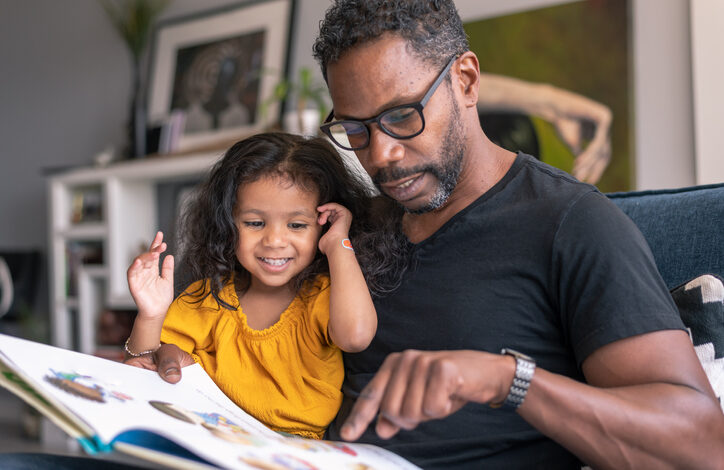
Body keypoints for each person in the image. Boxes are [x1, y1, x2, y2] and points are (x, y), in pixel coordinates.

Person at [123, 132, 405, 440]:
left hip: (295, 448)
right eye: (255, 223)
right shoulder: (207, 298)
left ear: (323, 224)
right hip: (213, 435)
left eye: (297, 225)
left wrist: (339, 243)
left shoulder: (323, 295)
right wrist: (150, 315)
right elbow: (142, 367)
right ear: (228, 225)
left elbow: (356, 337)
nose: (274, 241)